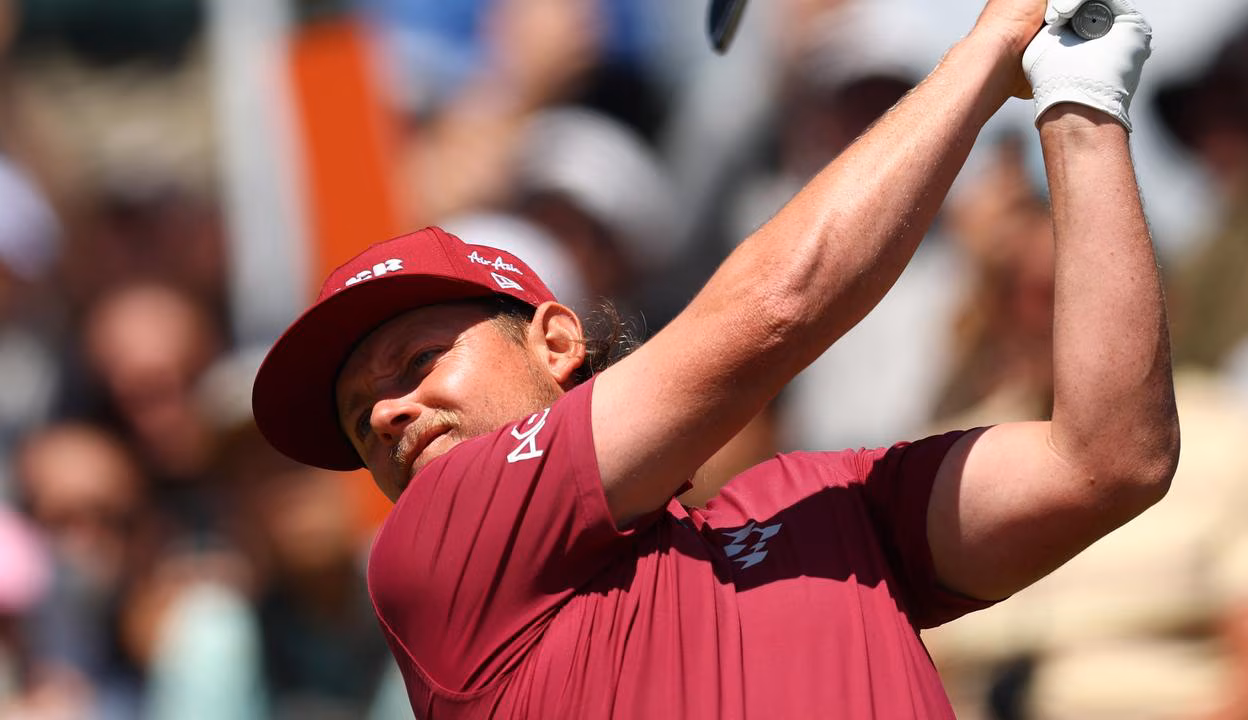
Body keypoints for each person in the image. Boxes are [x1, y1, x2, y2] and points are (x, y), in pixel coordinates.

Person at [251, 0, 1179, 716]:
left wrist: (1079, 97)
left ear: (558, 341)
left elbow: (1107, 460)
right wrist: (991, 45)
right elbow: (780, 307)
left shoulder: (814, 504)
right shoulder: (430, 551)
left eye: (415, 363)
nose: (384, 416)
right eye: (357, 417)